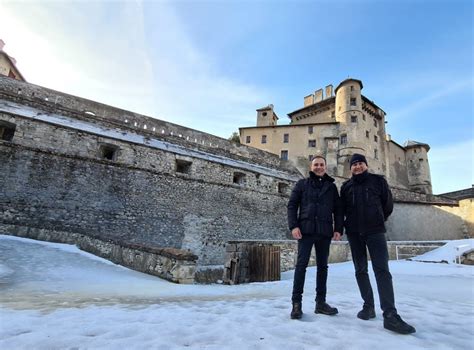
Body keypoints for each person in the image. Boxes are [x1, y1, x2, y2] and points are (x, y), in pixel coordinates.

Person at [340, 153, 416, 334]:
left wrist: (378, 218)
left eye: (360, 163)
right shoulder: (346, 187)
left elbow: (387, 205)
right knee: (360, 270)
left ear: (365, 165)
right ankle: (368, 306)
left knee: (382, 271)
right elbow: (342, 209)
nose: (357, 166)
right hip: (354, 233)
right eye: (354, 164)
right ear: (350, 168)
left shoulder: (378, 181)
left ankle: (390, 314)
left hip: (375, 231)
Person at [287, 155, 343, 319]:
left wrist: (338, 228)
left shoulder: (331, 187)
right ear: (311, 167)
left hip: (324, 231)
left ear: (325, 167)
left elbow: (338, 209)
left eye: (321, 165)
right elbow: (292, 205)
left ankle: (321, 303)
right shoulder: (302, 184)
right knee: (301, 266)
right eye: (316, 165)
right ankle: (296, 304)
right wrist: (294, 226)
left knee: (323, 267)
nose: (319, 167)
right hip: (305, 230)